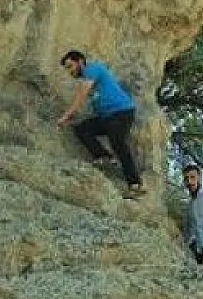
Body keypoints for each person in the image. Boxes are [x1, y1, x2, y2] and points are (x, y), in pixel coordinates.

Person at [57, 50, 144, 197]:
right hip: (107, 117)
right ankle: (104, 156)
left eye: (70, 66)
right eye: (67, 68)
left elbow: (81, 96)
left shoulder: (92, 69)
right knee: (82, 129)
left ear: (80, 62)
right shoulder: (86, 79)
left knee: (118, 142)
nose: (69, 71)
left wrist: (65, 116)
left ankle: (135, 184)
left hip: (121, 112)